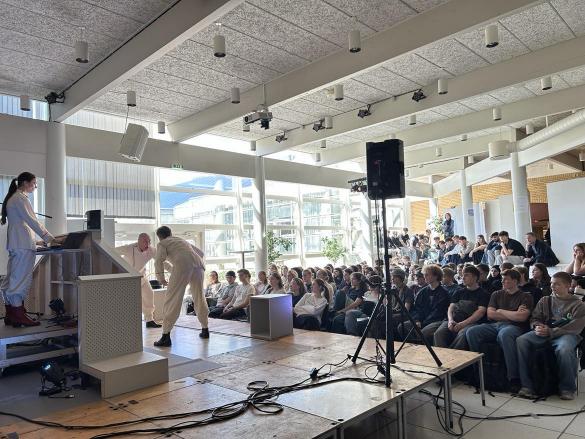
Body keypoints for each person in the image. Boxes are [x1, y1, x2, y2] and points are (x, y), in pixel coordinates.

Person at [516, 272, 585, 400]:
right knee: (521, 340)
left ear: (568, 286)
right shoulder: (545, 300)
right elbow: (535, 318)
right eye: (552, 283)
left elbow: (575, 326)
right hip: (544, 332)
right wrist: (537, 327)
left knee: (564, 349)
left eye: (557, 284)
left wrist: (551, 332)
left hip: (567, 334)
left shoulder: (578, 304)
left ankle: (567, 387)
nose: (552, 286)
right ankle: (527, 385)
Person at [466, 269, 534, 393]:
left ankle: (513, 378)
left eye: (506, 279)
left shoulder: (526, 296)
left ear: (515, 281)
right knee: (472, 332)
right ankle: (478, 371)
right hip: (495, 325)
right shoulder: (496, 294)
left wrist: (501, 311)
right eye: (502, 279)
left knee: (505, 334)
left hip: (515, 327)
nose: (502, 281)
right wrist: (513, 314)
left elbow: (522, 317)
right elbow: (490, 314)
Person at [1, 172, 54, 327]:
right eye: (34, 183)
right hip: (22, 247)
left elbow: (22, 226)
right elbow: (32, 221)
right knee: (19, 280)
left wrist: (37, 242)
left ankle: (12, 314)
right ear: (25, 183)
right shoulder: (20, 198)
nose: (35, 186)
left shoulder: (14, 198)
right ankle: (18, 315)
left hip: (18, 245)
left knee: (11, 279)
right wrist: (49, 238)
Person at [153, 226, 208, 346]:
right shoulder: (181, 240)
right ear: (171, 233)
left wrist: (161, 279)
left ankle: (166, 336)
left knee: (172, 299)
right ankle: (205, 329)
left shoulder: (162, 243)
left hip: (183, 266)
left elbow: (158, 261)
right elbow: (200, 253)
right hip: (199, 265)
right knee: (199, 297)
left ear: (159, 237)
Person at [434, 265, 490, 350]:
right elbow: (451, 307)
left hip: (472, 322)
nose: (463, 277)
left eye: (466, 275)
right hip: (453, 319)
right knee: (439, 333)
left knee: (462, 335)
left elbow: (480, 312)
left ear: (475, 277)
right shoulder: (459, 292)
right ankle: (442, 356)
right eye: (463, 275)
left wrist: (463, 324)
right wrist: (450, 320)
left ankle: (454, 356)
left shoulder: (483, 294)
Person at [397, 264, 449, 344]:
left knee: (423, 332)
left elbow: (438, 312)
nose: (425, 277)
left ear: (435, 276)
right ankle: (414, 346)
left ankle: (422, 346)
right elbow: (417, 308)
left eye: (427, 275)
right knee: (402, 327)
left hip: (437, 321)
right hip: (422, 320)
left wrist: (423, 322)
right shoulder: (423, 292)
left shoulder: (443, 293)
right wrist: (417, 320)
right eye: (424, 275)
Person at [116, 233, 160, 328]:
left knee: (149, 294)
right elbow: (113, 251)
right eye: (145, 242)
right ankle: (124, 322)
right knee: (128, 300)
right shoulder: (128, 248)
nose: (148, 244)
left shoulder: (152, 250)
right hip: (127, 278)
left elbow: (161, 260)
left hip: (141, 276)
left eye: (149, 241)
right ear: (138, 241)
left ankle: (149, 320)